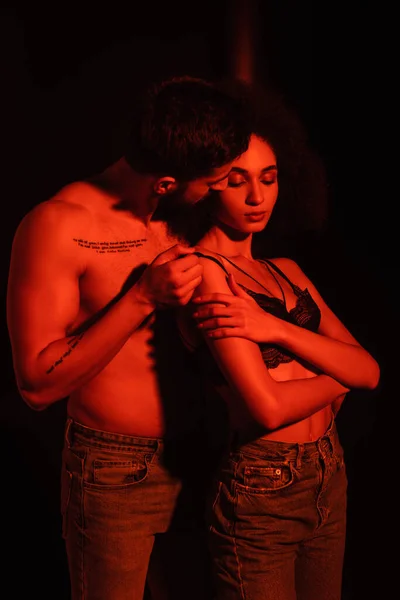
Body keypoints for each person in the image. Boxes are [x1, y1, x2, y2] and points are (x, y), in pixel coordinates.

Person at [6, 74, 252, 600]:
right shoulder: (57, 225)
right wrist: (140, 297)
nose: (218, 193)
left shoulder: (174, 218)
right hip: (118, 472)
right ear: (165, 181)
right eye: (212, 183)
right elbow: (36, 384)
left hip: (209, 457)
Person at [175, 80, 381, 600]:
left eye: (268, 178)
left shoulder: (285, 269)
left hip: (328, 473)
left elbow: (373, 371)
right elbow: (266, 408)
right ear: (207, 185)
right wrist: (340, 380)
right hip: (263, 483)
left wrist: (272, 328)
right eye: (236, 180)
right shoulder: (202, 272)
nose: (256, 196)